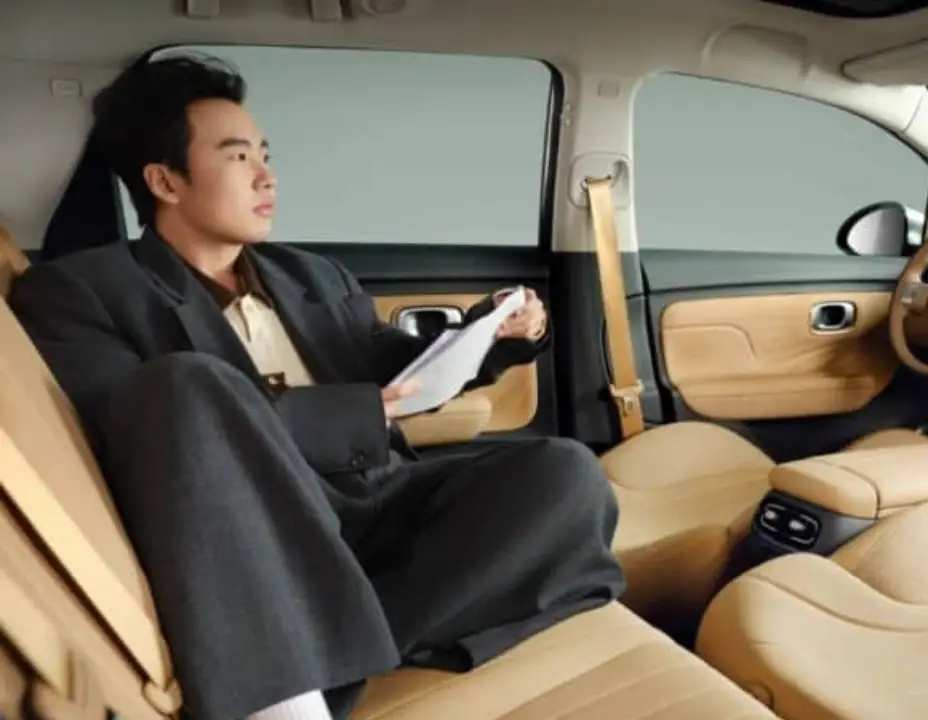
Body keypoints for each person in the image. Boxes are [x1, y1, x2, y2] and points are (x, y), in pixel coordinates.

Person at [8, 53, 625, 720]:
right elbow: (129, 432)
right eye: (238, 157)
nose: (267, 175)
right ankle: (286, 697)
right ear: (165, 180)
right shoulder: (79, 292)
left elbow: (390, 365)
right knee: (183, 383)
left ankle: (313, 649)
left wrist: (492, 334)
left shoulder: (314, 275)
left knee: (567, 475)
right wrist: (356, 414)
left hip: (378, 502)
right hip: (252, 533)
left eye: (265, 155)